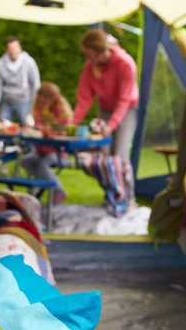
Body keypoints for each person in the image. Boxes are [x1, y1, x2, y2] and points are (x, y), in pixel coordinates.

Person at [73, 29, 139, 160]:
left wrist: (111, 125)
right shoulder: (89, 67)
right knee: (102, 153)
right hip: (105, 108)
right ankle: (106, 181)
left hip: (127, 110)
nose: (87, 58)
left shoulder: (125, 64)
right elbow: (84, 99)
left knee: (119, 153)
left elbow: (124, 100)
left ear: (99, 51)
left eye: (89, 54)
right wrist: (73, 123)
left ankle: (124, 180)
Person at [21, 82, 73, 205]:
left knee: (42, 164)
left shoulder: (61, 112)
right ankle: (44, 186)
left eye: (45, 100)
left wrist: (46, 130)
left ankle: (58, 190)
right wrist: (31, 129)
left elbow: (61, 129)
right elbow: (36, 124)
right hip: (41, 150)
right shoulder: (39, 109)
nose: (42, 103)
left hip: (57, 152)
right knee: (26, 161)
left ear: (53, 99)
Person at [0, 36, 41, 126]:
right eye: (10, 48)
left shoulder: (29, 62)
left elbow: (36, 84)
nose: (13, 51)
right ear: (7, 50)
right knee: (2, 129)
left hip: (25, 102)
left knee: (27, 128)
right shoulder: (0, 63)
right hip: (7, 102)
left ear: (20, 48)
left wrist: (34, 106)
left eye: (15, 47)